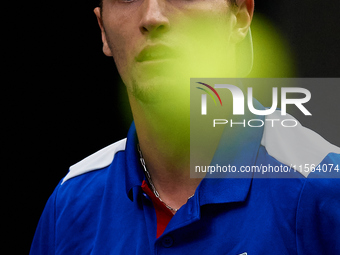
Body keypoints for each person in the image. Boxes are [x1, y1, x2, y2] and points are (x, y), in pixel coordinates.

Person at [30, 0, 340, 254]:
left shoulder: (322, 186)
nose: (151, 16)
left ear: (241, 16)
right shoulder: (69, 204)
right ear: (102, 30)